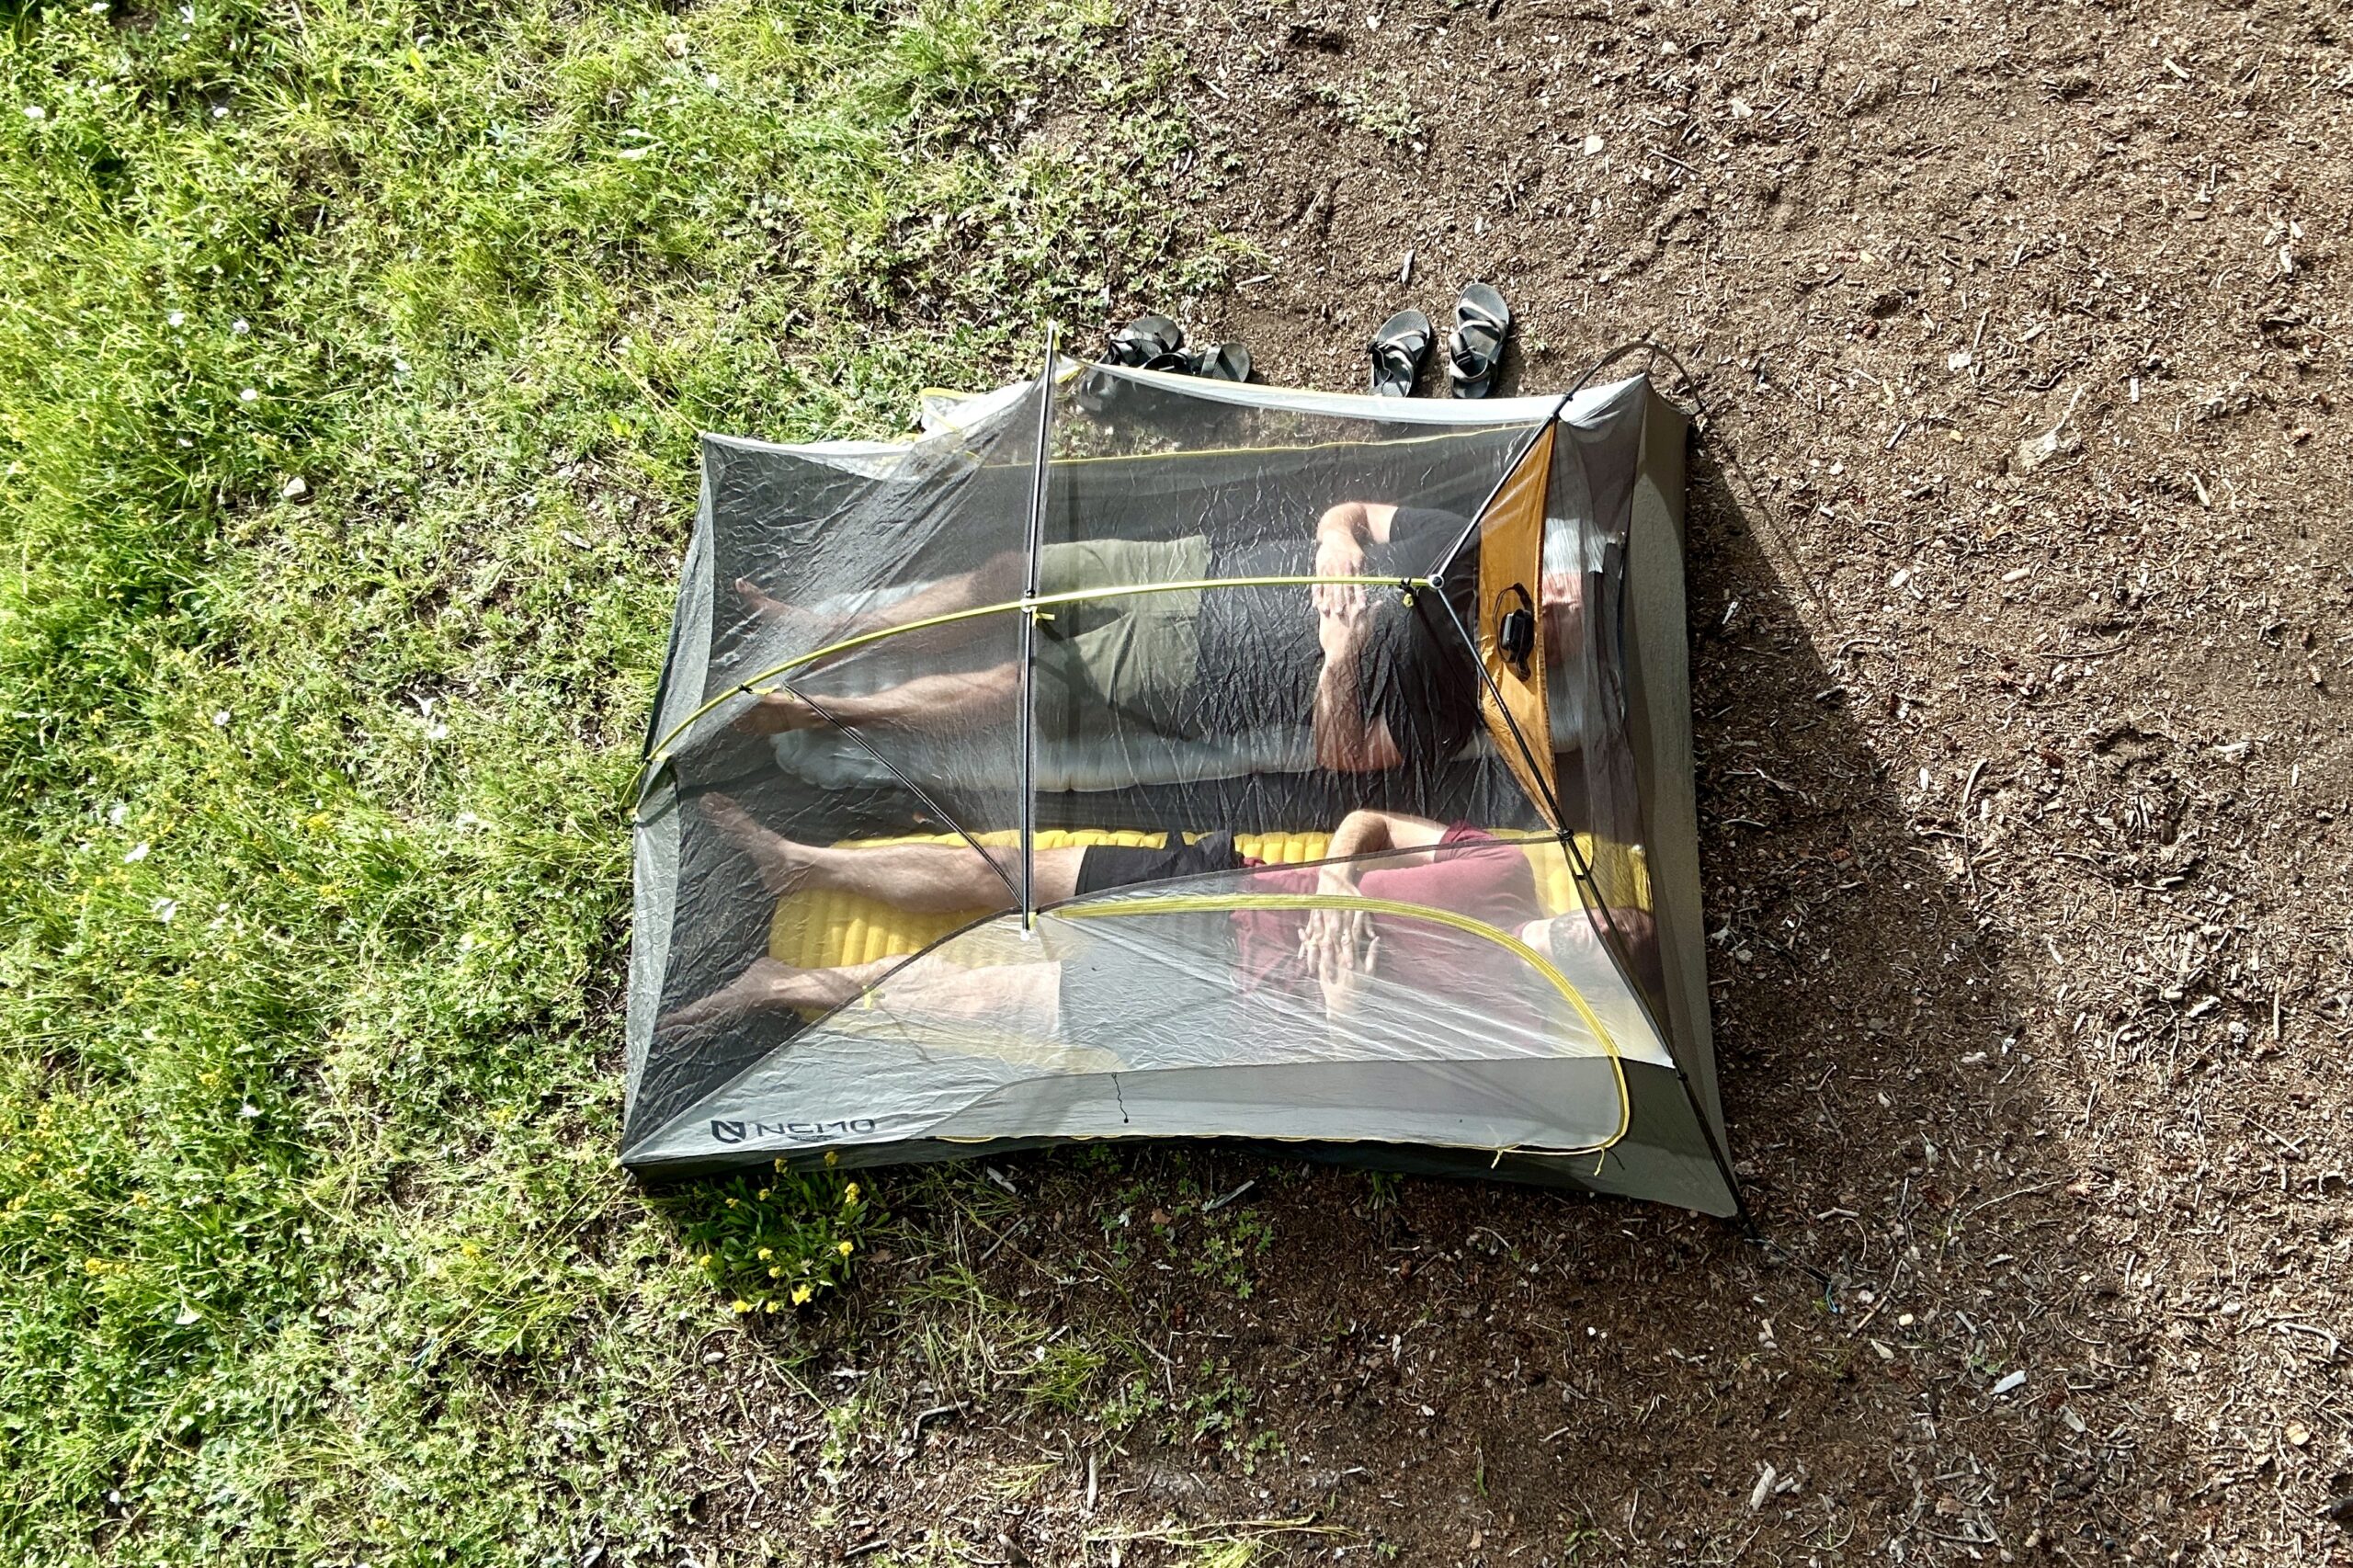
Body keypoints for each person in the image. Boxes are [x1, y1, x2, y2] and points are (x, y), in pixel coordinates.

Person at [659, 794, 1544, 1037]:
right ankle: (797, 862)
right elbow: (1372, 822)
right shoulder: (1505, 872)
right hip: (1221, 884)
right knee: (1009, 869)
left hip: (1234, 1001)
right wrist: (1342, 883)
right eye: (1612, 919)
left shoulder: (1523, 1026)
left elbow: (1397, 1095)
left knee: (992, 999)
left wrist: (1351, 1021)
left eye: (1613, 948)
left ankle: (788, 984)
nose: (1597, 928)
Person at [731, 501, 1481, 775]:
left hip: (1195, 669)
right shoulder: (1460, 540)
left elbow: (1340, 754)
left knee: (1015, 688)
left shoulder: (1469, 703)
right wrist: (1337, 544)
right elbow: (1344, 512)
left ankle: (822, 709)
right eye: (1560, 576)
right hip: (1187, 568)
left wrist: (1342, 658)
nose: (1557, 588)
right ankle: (824, 629)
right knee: (1008, 578)